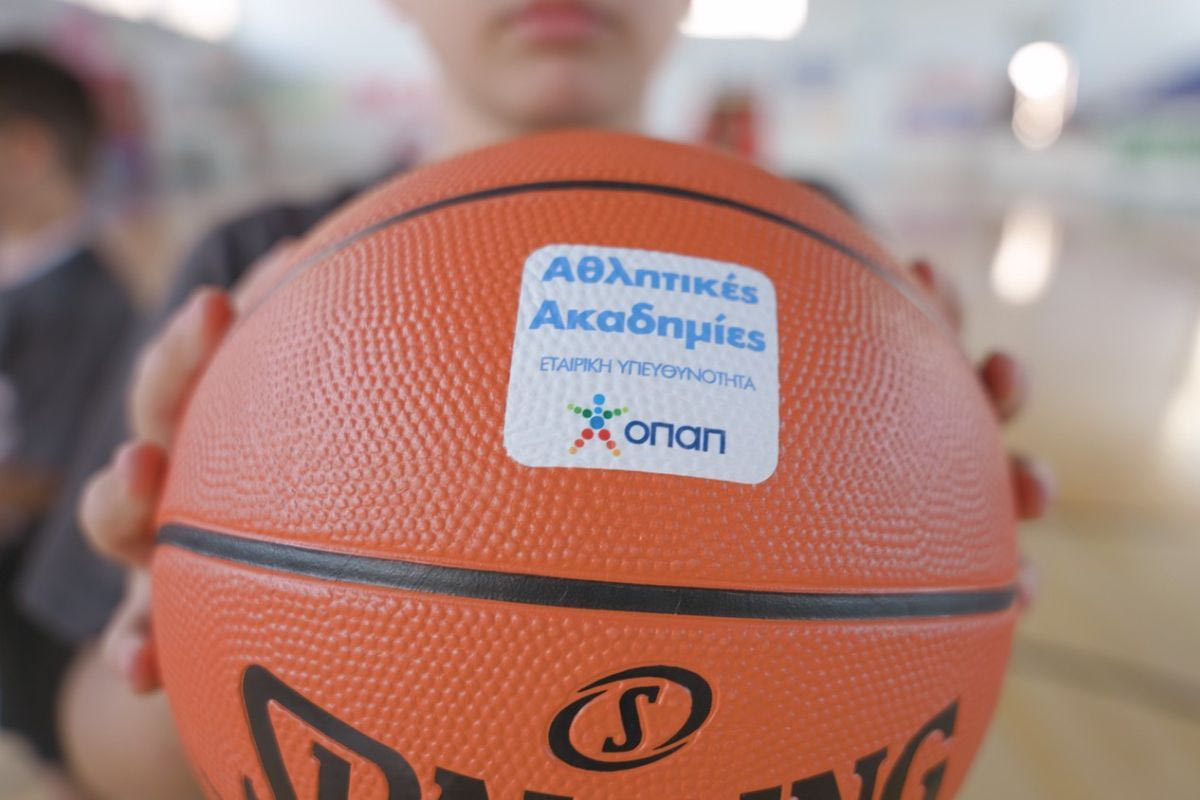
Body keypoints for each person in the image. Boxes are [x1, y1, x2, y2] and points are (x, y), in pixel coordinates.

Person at [38, 1, 1052, 797]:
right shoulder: (254, 274)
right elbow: (96, 754)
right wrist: (183, 620)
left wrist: (946, 516)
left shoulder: (842, 259)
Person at [0, 47, 134, 765]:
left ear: (25, 151)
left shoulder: (88, 306)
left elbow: (55, 474)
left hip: (48, 631)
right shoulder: (23, 284)